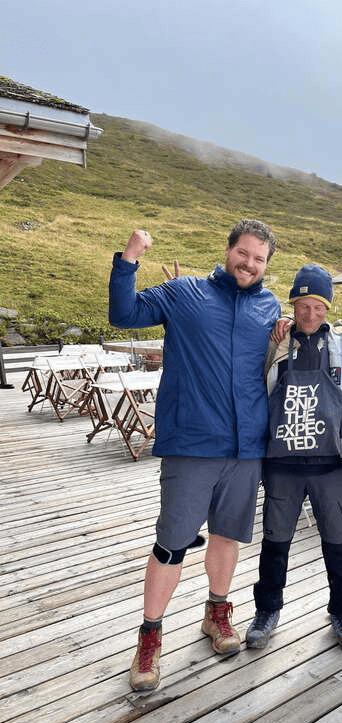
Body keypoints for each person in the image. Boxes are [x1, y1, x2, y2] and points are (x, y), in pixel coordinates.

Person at [109, 219, 280, 691]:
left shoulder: (270, 306)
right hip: (192, 445)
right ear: (229, 250)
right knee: (171, 544)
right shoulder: (184, 292)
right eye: (243, 253)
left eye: (259, 258)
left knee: (228, 538)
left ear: (267, 264)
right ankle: (149, 638)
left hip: (246, 449)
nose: (248, 263)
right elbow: (124, 314)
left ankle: (216, 613)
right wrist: (129, 260)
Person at [245, 265, 342, 652]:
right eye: (303, 306)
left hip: (331, 463)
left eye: (318, 307)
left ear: (328, 309)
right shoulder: (276, 342)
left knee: (338, 540)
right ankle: (266, 610)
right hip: (282, 463)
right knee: (275, 541)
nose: (310, 314)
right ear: (292, 306)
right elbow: (256, 383)